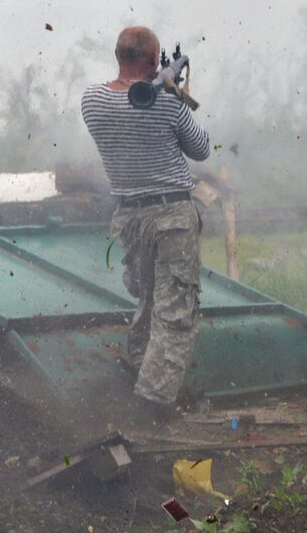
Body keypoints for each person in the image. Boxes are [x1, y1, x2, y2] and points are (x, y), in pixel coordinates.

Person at [81, 26, 210, 411]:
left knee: (149, 303)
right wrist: (173, 90)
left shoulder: (92, 100)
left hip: (130, 217)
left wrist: (163, 85)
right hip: (172, 214)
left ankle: (137, 374)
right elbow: (201, 149)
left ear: (118, 55)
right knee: (175, 311)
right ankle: (151, 405)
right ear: (155, 60)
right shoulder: (166, 101)